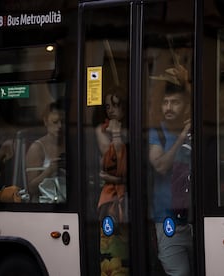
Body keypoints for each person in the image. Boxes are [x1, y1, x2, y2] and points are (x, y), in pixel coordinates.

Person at [148, 64, 193, 276]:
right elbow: (160, 165)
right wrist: (183, 137)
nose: (168, 107)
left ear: (185, 106)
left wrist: (186, 82)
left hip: (197, 218)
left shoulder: (197, 127)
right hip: (167, 220)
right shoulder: (158, 133)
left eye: (175, 102)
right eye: (165, 102)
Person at [95, 87, 129, 275]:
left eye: (116, 105)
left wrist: (117, 178)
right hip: (110, 201)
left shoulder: (132, 128)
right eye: (108, 106)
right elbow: (113, 164)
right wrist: (116, 135)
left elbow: (125, 173)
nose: (111, 110)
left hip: (128, 200)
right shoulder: (101, 130)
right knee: (111, 257)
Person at [26, 100, 65, 202]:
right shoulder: (37, 148)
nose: (60, 126)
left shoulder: (72, 144)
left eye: (63, 122)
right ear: (45, 121)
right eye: (55, 122)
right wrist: (50, 170)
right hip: (44, 203)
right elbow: (31, 188)